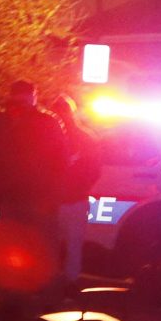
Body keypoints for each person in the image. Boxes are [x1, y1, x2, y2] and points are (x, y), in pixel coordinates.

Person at [0, 81, 68, 314]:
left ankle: (28, 299)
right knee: (24, 248)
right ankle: (25, 299)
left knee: (25, 248)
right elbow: (61, 160)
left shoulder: (13, 122)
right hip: (23, 196)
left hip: (26, 196)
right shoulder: (39, 122)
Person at [53, 93, 101, 294]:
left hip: (61, 200)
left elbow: (93, 169)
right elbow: (94, 170)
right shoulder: (85, 136)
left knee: (55, 244)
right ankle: (68, 283)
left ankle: (56, 282)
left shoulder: (80, 137)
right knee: (71, 245)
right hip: (69, 199)